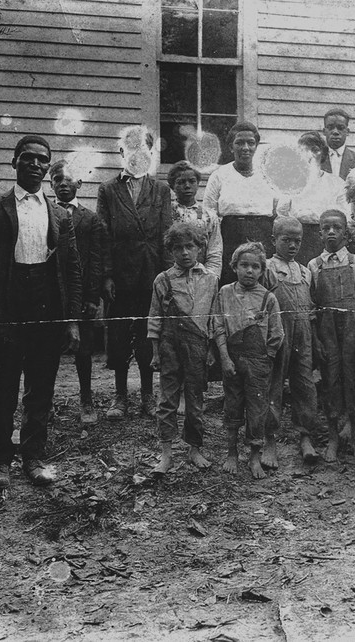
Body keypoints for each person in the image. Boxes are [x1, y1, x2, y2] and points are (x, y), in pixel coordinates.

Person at [0, 135, 82, 488]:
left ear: (48, 166)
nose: (35, 164)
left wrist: (71, 320)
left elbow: (71, 270)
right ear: (15, 162)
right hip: (5, 307)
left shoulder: (59, 213)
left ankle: (34, 458)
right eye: (27, 158)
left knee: (40, 388)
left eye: (42, 159)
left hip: (46, 305)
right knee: (5, 387)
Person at [97, 125, 172, 420]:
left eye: (144, 151)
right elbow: (102, 237)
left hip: (150, 273)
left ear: (151, 154)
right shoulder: (108, 190)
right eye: (131, 151)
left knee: (147, 334)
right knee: (117, 335)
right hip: (120, 275)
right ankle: (119, 396)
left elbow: (166, 233)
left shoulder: (161, 190)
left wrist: (165, 277)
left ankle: (148, 396)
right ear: (121, 153)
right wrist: (106, 275)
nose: (138, 156)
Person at [148, 222, 219, 474]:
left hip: (198, 346)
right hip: (169, 347)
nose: (185, 253)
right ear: (171, 251)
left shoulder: (211, 280)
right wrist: (156, 351)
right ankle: (166, 454)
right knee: (167, 399)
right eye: (178, 248)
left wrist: (212, 349)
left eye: (190, 247)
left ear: (200, 248)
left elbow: (214, 317)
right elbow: (155, 317)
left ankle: (194, 449)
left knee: (195, 399)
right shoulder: (163, 279)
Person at [308, 209, 355, 463]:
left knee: (354, 380)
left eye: (337, 227)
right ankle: (334, 438)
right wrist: (315, 338)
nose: (331, 232)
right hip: (326, 330)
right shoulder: (315, 265)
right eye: (326, 228)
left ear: (346, 232)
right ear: (320, 233)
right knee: (330, 381)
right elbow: (310, 305)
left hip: (351, 327)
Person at [214, 242, 284, 479]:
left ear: (262, 270)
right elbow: (219, 327)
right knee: (232, 405)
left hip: (258, 361)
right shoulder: (224, 293)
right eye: (244, 265)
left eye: (255, 266)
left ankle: (255, 456)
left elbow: (277, 334)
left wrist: (266, 359)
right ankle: (232, 452)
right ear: (234, 266)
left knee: (257, 408)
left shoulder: (268, 298)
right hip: (232, 359)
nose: (249, 271)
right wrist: (224, 357)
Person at [50, 159, 104, 426]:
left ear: (80, 183)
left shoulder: (90, 218)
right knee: (45, 349)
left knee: (83, 349)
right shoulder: (44, 212)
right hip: (49, 292)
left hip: (80, 292)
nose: (63, 184)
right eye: (57, 180)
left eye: (69, 179)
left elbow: (95, 259)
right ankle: (44, 401)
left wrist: (92, 297)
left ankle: (86, 399)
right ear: (51, 184)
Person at [262, 217, 320, 465]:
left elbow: (312, 306)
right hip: (278, 333)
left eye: (297, 241)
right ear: (274, 240)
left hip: (303, 333)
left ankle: (305, 436)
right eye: (286, 240)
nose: (293, 245)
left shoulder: (306, 270)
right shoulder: (267, 268)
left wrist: (314, 339)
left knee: (305, 384)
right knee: (273, 384)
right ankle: (269, 440)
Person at [202, 121, 279, 284]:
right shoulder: (219, 175)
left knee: (261, 283)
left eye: (251, 143)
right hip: (230, 237)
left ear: (256, 146)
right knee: (231, 282)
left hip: (262, 235)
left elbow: (279, 211)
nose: (245, 147)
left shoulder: (268, 175)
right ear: (231, 147)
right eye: (239, 143)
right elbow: (209, 211)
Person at [277, 131, 349, 225]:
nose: (310, 155)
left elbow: (344, 214)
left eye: (315, 150)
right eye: (304, 150)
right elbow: (281, 212)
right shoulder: (290, 182)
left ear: (323, 154)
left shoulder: (336, 183)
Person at [167, 160, 222, 273]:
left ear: (198, 184)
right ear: (172, 186)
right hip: (173, 275)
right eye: (181, 182)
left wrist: (211, 276)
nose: (187, 186)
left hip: (201, 275)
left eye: (192, 181)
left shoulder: (208, 216)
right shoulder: (166, 212)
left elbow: (214, 250)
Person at [321, 108, 355, 179]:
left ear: (347, 132)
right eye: (330, 127)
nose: (335, 132)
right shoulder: (314, 159)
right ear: (324, 131)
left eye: (340, 128)